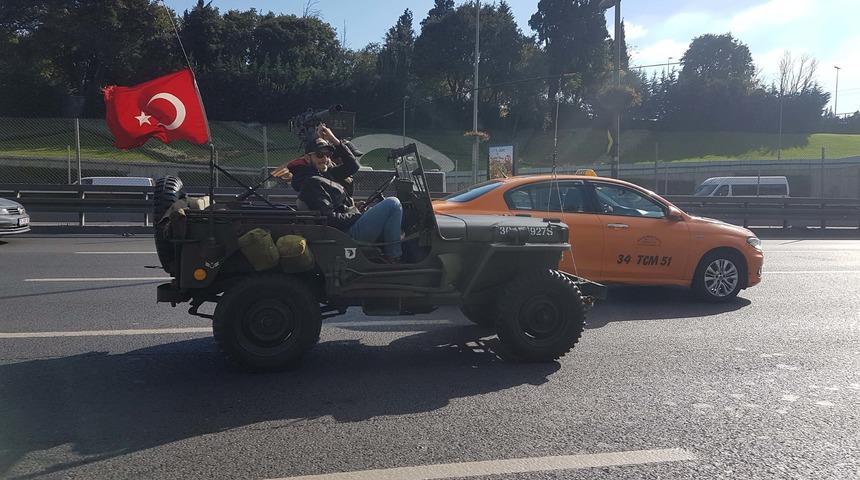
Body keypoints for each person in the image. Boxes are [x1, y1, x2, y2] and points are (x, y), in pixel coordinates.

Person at [273, 124, 403, 262]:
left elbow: (353, 166)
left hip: (347, 226)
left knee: (391, 210)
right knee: (393, 204)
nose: (325, 159)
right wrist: (356, 214)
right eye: (319, 155)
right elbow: (330, 218)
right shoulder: (312, 182)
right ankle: (394, 257)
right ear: (307, 158)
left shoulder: (323, 174)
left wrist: (333, 140)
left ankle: (389, 255)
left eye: (328, 155)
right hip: (346, 234)